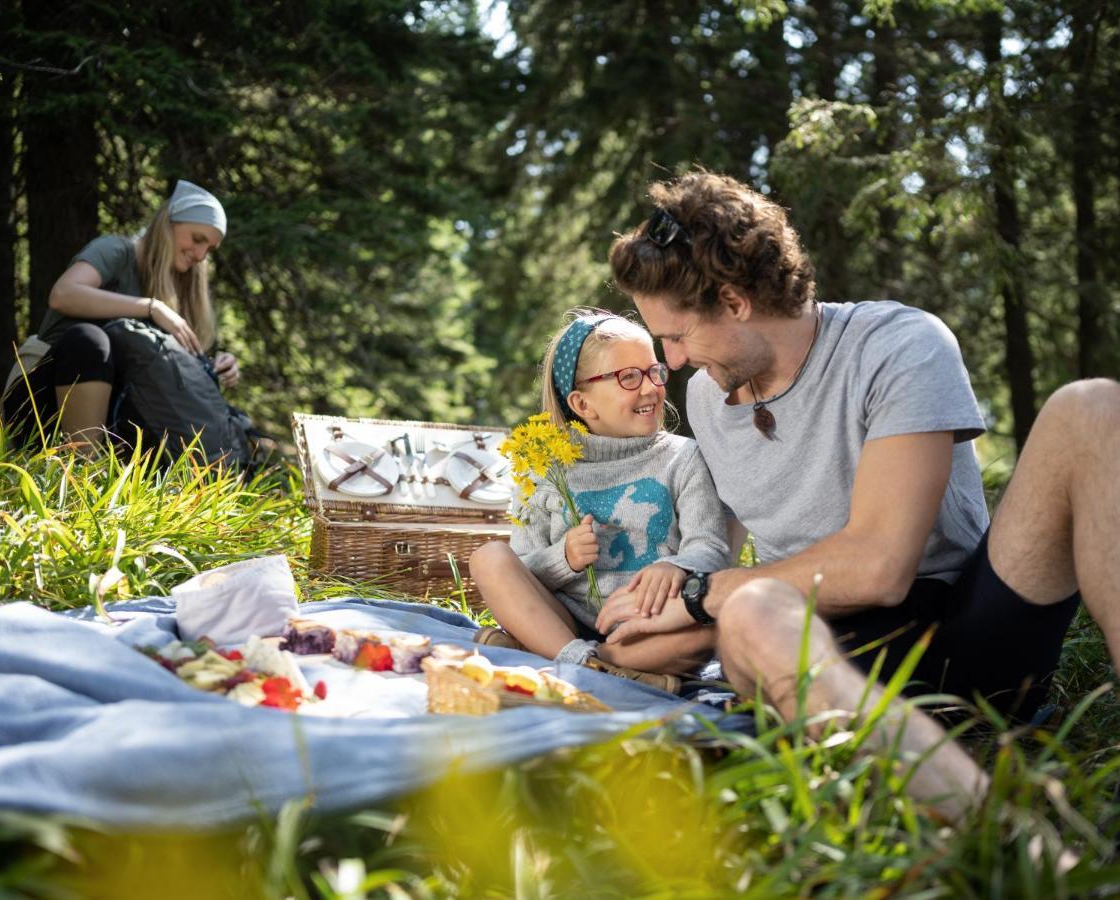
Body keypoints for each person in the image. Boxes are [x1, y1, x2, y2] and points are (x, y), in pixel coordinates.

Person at [597, 171, 1119, 739]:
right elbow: (721, 539)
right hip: (819, 644)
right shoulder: (706, 395)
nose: (671, 362)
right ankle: (916, 766)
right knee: (661, 644)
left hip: (963, 632)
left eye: (677, 336)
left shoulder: (900, 345)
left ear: (734, 301)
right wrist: (672, 588)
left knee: (1090, 408)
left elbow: (879, 569)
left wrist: (706, 598)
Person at [469, 310, 732, 694]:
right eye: (628, 377)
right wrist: (565, 559)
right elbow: (522, 569)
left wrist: (677, 566)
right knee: (488, 558)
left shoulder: (682, 458)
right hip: (563, 621)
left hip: (648, 627)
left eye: (653, 371)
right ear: (582, 404)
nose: (650, 388)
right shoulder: (543, 469)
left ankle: (572, 660)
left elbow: (711, 546)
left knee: (716, 627)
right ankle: (581, 658)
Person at [1, 180, 239, 450]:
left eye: (209, 249)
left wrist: (215, 365)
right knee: (90, 341)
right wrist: (151, 306)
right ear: (168, 224)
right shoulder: (117, 251)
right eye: (197, 239)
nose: (200, 255)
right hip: (36, 402)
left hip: (113, 414)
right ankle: (83, 475)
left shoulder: (180, 286)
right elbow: (63, 294)